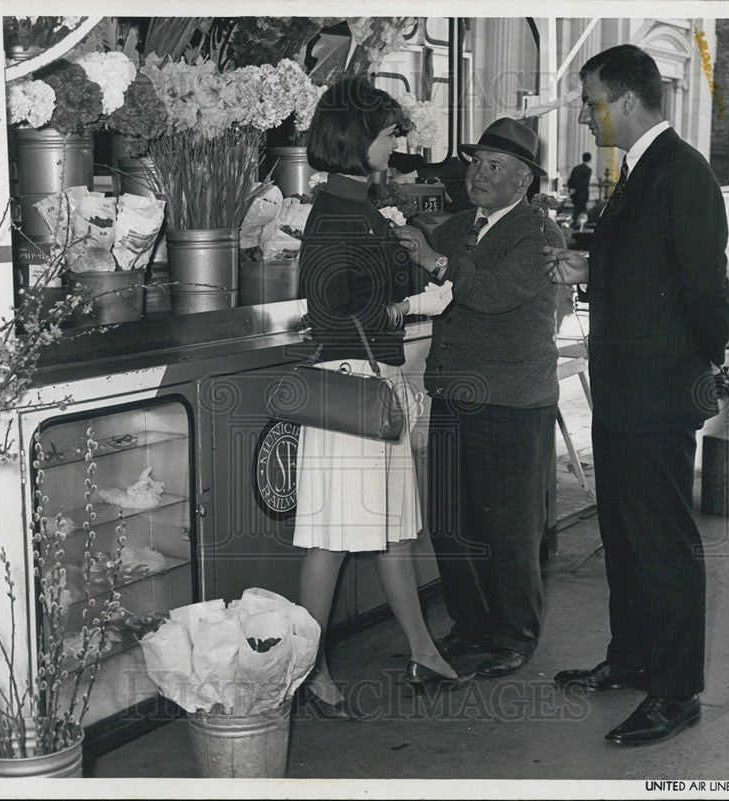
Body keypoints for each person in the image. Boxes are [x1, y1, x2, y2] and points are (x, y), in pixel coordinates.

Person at [543, 44, 729, 746]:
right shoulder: (639, 171)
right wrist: (591, 262)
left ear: (625, 99)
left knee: (663, 543)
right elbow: (648, 262)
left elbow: (707, 291)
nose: (587, 116)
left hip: (657, 393)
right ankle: (631, 658)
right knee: (623, 535)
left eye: (592, 100)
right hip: (625, 392)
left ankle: (676, 689)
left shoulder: (683, 174)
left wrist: (696, 363)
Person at [293, 76, 469, 720]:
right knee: (331, 540)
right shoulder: (338, 212)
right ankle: (309, 671)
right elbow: (334, 311)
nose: (397, 140)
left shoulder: (360, 205)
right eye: (388, 131)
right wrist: (410, 307)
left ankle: (423, 649)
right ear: (354, 136)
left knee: (394, 531)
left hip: (374, 391)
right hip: (352, 395)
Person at [396, 118, 565, 680]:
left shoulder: (540, 235)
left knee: (510, 526)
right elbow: (417, 268)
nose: (479, 175)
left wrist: (432, 260)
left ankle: (514, 635)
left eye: (495, 166)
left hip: (513, 401)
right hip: (453, 393)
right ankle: (470, 625)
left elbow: (492, 293)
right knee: (450, 521)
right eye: (475, 163)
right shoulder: (458, 227)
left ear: (525, 181)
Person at [567, 152, 593, 224]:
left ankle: (575, 224)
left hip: (574, 195)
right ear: (590, 159)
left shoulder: (575, 168)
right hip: (582, 194)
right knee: (580, 211)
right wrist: (575, 189)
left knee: (578, 210)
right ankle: (577, 226)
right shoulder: (588, 169)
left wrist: (570, 189)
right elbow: (584, 183)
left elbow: (570, 180)